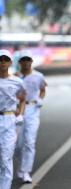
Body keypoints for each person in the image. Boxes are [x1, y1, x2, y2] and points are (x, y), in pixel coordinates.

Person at [15, 51, 47, 183]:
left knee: (29, 142)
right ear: (20, 62)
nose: (26, 62)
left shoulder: (38, 76)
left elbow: (43, 89)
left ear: (31, 62)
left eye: (28, 60)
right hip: (17, 111)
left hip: (33, 109)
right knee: (18, 144)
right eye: (24, 60)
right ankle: (21, 166)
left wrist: (40, 99)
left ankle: (25, 171)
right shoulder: (15, 77)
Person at [0, 49, 26, 189]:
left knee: (6, 157)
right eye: (0, 59)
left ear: (10, 62)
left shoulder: (17, 82)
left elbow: (23, 98)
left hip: (9, 120)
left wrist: (20, 114)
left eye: (5, 59)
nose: (3, 62)